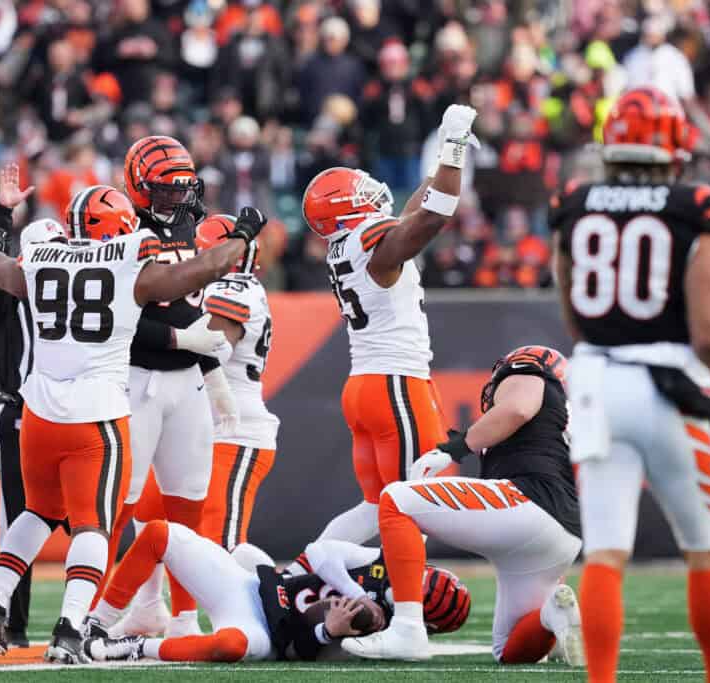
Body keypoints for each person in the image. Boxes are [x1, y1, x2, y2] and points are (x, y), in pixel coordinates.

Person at [0, 164, 266, 663]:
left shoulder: (41, 258)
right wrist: (243, 233)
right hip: (96, 416)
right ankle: (69, 630)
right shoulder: (128, 262)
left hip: (39, 412)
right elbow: (200, 271)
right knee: (93, 525)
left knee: (38, 512)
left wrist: (2, 213)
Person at [551, 86, 710, 683]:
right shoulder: (695, 204)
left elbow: (573, 310)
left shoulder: (573, 202)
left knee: (605, 550)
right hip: (668, 380)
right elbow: (706, 321)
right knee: (704, 549)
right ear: (674, 144)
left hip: (598, 380)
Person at [297, 105, 478, 547]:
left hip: (366, 385)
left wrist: (441, 160)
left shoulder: (350, 244)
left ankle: (309, 570)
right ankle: (409, 609)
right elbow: (435, 215)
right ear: (346, 205)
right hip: (395, 381)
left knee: (378, 505)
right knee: (410, 501)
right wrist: (453, 144)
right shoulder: (368, 241)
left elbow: (414, 214)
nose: (369, 189)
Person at [342, 346, 583, 665]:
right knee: (510, 651)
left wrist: (452, 449)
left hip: (527, 502)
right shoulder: (568, 418)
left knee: (396, 500)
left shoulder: (528, 371)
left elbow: (517, 411)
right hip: (562, 532)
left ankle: (407, 628)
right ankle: (551, 614)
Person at [108, 135, 237, 639]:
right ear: (138, 187)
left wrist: (212, 374)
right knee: (119, 507)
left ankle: (182, 617)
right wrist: (184, 337)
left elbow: (188, 308)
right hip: (134, 378)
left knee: (188, 504)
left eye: (183, 186)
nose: (177, 196)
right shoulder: (118, 226)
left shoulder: (186, 223)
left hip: (186, 382)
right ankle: (91, 616)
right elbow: (114, 319)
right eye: (165, 188)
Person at [83, 521, 470, 663]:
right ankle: (94, 625)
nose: (398, 588)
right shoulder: (380, 564)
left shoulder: (390, 637)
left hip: (271, 632)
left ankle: (136, 647)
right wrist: (355, 589)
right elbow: (321, 551)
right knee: (160, 534)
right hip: (257, 587)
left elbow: (297, 652)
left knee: (230, 645)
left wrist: (329, 632)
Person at [0, 207, 65, 650]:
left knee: (94, 519)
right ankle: (17, 621)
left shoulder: (79, 292)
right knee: (20, 517)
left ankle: (92, 618)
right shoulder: (9, 297)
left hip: (72, 413)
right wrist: (3, 214)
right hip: (22, 413)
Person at [193, 214, 280, 550]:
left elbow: (212, 351)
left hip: (235, 431)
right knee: (178, 535)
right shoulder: (231, 287)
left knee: (220, 543)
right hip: (210, 427)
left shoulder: (230, 289)